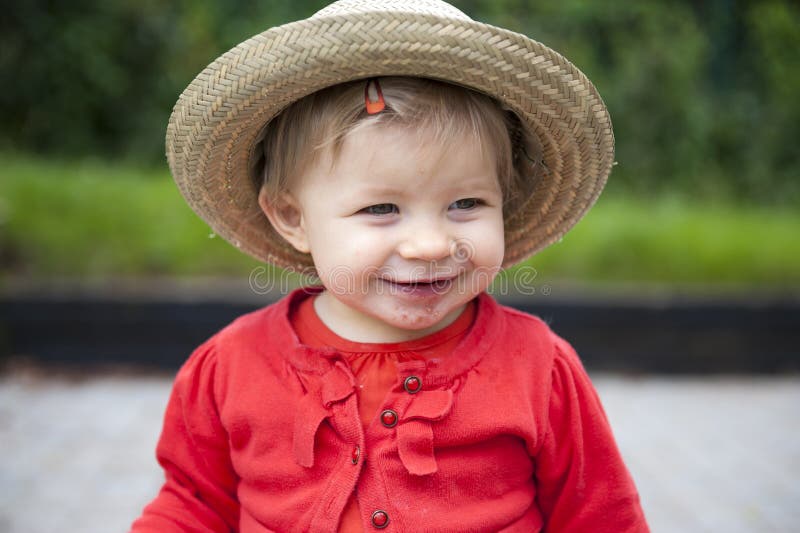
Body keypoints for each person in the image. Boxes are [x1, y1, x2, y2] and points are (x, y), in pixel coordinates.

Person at [131, 1, 649, 531]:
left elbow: (602, 516)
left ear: (504, 199)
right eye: (381, 209)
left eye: (466, 204)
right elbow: (192, 504)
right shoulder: (230, 367)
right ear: (292, 217)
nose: (429, 245)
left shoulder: (539, 369)